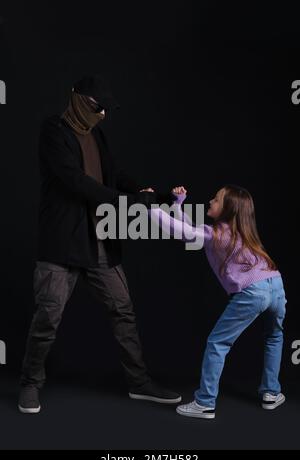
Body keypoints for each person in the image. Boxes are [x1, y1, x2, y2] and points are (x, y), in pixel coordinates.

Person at [18, 74, 181, 414]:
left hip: (100, 241)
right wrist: (127, 202)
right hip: (61, 245)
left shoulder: (98, 136)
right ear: (77, 99)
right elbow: (76, 183)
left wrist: (151, 195)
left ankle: (139, 383)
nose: (102, 115)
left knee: (123, 312)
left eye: (106, 110)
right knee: (48, 316)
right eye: (97, 108)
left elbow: (114, 175)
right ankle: (30, 383)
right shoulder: (53, 132)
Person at [149, 185, 287, 419]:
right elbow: (190, 231)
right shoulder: (242, 232)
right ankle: (271, 393)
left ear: (227, 210)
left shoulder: (215, 235)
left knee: (217, 343)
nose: (210, 201)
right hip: (276, 284)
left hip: (252, 292)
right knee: (274, 336)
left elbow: (179, 231)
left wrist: (149, 206)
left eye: (216, 200)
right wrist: (177, 204)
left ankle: (205, 402)